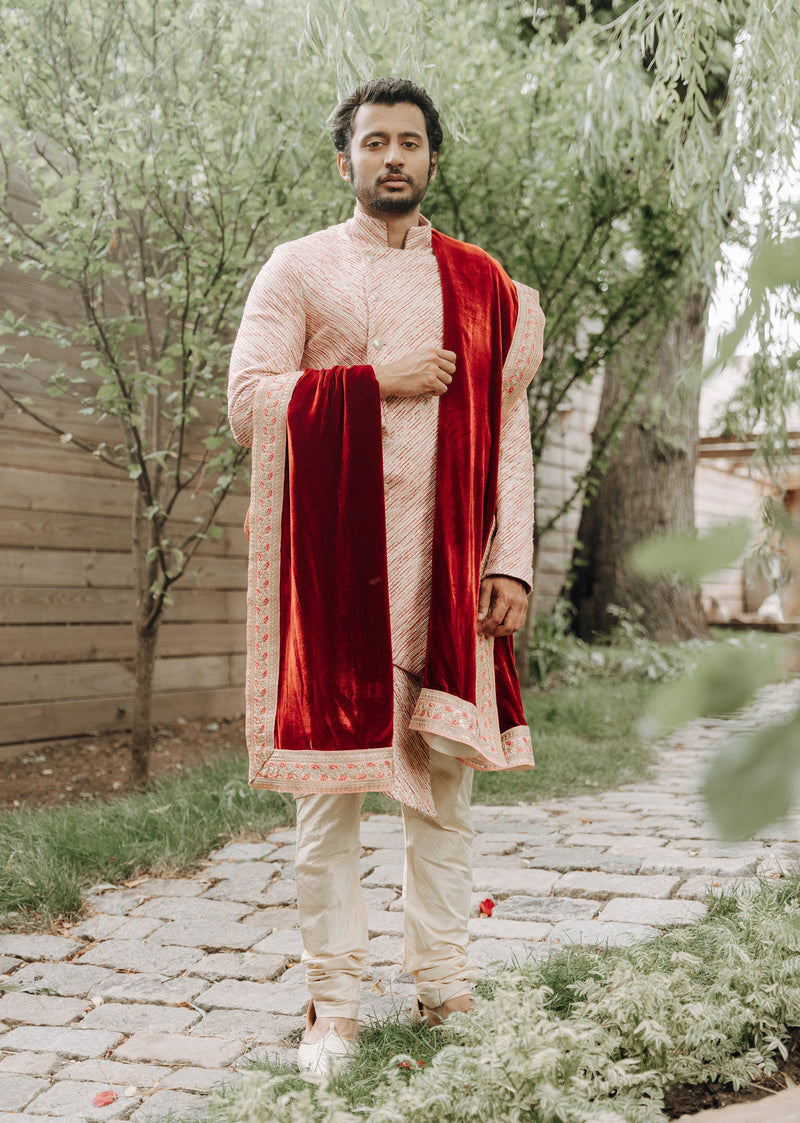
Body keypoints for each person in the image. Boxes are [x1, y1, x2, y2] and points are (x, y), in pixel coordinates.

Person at [228, 76, 544, 1075]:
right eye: (375, 143)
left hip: (445, 570)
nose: (393, 157)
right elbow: (249, 400)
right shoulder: (299, 270)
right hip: (332, 576)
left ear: (432, 161)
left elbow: (509, 430)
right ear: (344, 161)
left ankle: (443, 982)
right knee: (329, 799)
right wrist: (377, 382)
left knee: (442, 792)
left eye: (410, 142)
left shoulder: (484, 287)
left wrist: (510, 562)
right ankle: (332, 997)